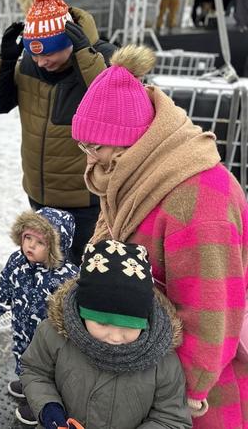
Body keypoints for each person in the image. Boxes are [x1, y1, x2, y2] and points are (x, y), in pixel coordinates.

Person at [71, 44, 248, 428]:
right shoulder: (135, 175)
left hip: (191, 395)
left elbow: (211, 310)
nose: (89, 160)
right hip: (141, 367)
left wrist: (186, 392)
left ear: (129, 139)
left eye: (94, 146)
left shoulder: (199, 200)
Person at [0, 0, 116, 266]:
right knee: (46, 270)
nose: (43, 62)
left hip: (85, 200)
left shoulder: (103, 59)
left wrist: (84, 58)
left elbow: (113, 106)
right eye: (36, 55)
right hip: (40, 194)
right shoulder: (31, 64)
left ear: (71, 40)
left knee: (82, 272)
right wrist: (6, 60)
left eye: (50, 54)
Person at [21, 240, 192, 428]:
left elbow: (171, 418)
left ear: (145, 320)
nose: (116, 337)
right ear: (82, 311)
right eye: (102, 323)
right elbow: (35, 371)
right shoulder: (55, 334)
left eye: (129, 326)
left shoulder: (162, 360)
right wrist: (48, 407)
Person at [0, 207, 78, 425]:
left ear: (55, 247)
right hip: (21, 327)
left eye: (39, 243)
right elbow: (5, 283)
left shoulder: (67, 276)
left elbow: (73, 310)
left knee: (46, 369)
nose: (30, 245)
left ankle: (38, 401)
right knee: (21, 355)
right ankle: (26, 382)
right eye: (27, 237)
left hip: (49, 339)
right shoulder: (17, 260)